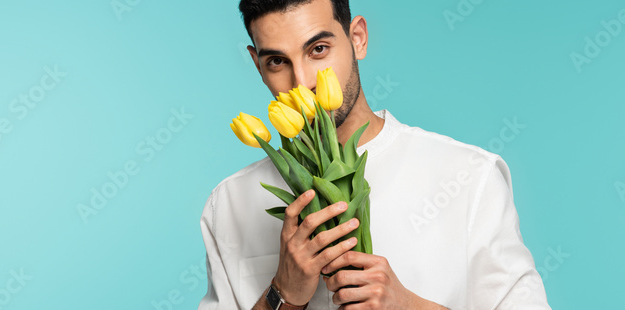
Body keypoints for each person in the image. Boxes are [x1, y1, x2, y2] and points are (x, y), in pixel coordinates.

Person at [198, 0, 551, 309]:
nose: (302, 80)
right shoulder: (228, 204)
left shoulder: (470, 176)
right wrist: (283, 294)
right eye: (277, 60)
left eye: (318, 49)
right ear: (258, 65)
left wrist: (409, 308)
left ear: (357, 39)